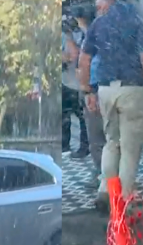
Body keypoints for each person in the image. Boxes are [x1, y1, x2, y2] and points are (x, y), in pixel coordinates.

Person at [78, 0, 143, 212]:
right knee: (129, 149)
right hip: (131, 90)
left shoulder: (99, 24)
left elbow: (84, 60)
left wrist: (88, 91)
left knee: (112, 143)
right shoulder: (137, 22)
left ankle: (106, 190)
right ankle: (122, 204)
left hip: (106, 91)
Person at [70, 4, 106, 188]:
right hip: (104, 89)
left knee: (97, 139)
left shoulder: (91, 36)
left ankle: (103, 176)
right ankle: (107, 174)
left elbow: (87, 63)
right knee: (107, 137)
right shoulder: (102, 32)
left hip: (95, 91)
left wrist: (88, 91)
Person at [62, 17, 89, 156]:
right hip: (68, 81)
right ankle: (65, 146)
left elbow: (74, 55)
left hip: (77, 83)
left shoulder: (83, 33)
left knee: (82, 116)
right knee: (65, 115)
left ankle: (84, 148)